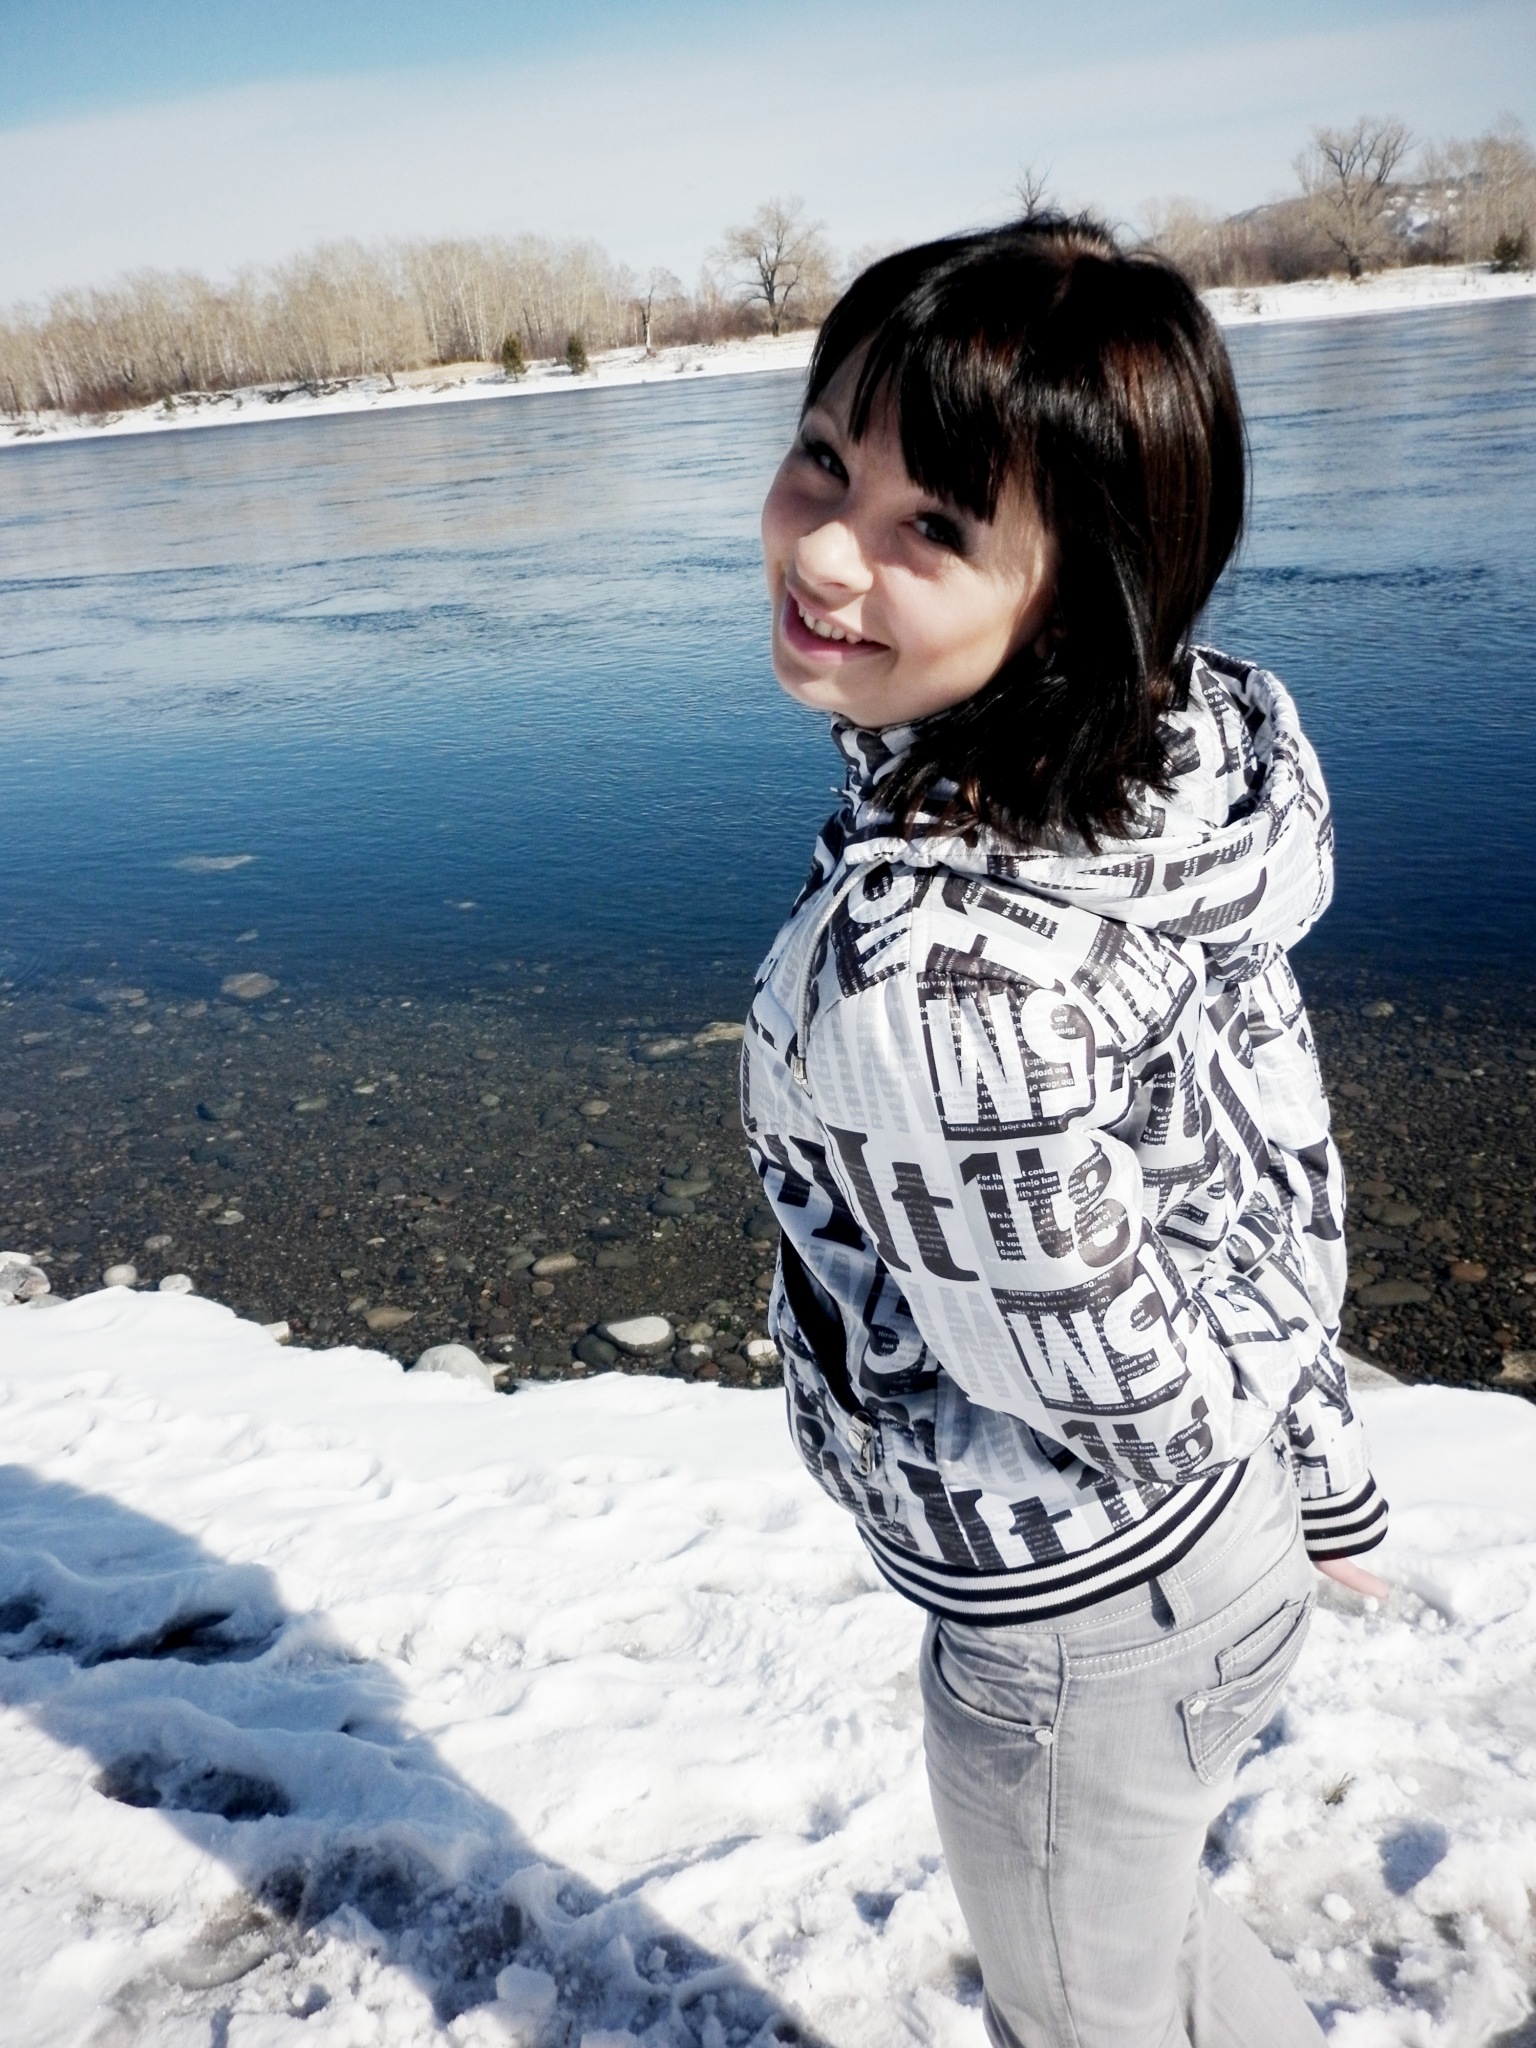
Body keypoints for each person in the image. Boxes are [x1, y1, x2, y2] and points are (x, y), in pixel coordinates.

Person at [742, 215, 1390, 2048]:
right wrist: (1318, 1461)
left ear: (1076, 596)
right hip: (1211, 1566)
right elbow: (1249, 1155)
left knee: (1094, 2019)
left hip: (1086, 1633)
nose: (827, 550)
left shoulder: (926, 976)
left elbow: (1114, 1388)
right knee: (1154, 1962)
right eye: (824, 459)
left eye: (934, 528)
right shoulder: (1168, 774)